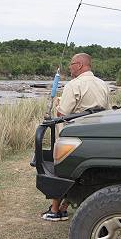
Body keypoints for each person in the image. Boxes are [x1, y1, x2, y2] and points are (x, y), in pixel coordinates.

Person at [41, 53, 111, 221]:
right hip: (99, 137)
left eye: (71, 64)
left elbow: (62, 113)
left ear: (79, 65)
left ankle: (56, 210)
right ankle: (65, 205)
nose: (70, 67)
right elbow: (109, 111)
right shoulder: (103, 84)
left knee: (60, 167)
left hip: (75, 138)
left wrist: (58, 103)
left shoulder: (74, 85)